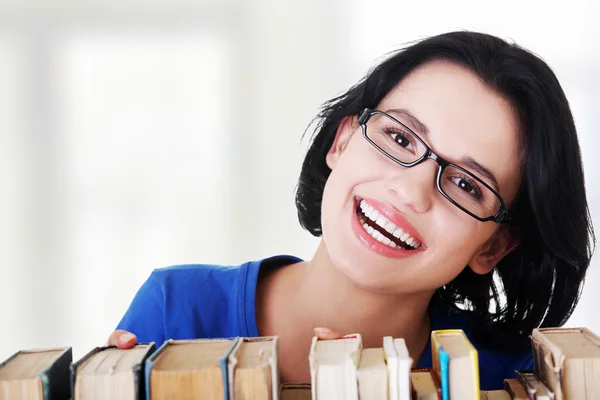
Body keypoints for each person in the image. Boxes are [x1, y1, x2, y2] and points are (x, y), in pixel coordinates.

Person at [107, 31, 594, 390]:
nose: (410, 189)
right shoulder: (176, 312)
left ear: (492, 246)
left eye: (466, 185)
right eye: (400, 138)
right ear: (342, 142)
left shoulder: (508, 376)